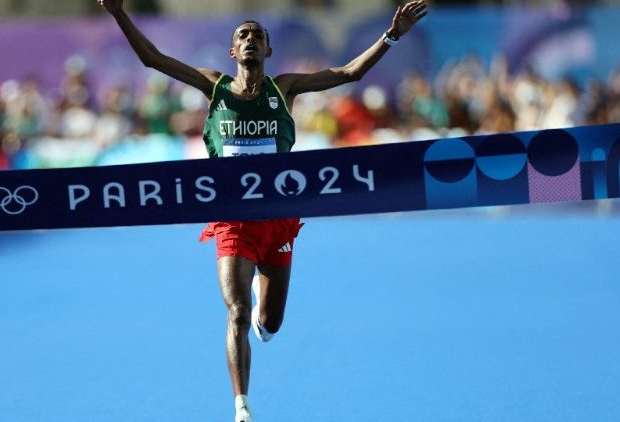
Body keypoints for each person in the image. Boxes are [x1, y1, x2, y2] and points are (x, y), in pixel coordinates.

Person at [96, 1, 428, 421]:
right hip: (233, 218)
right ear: (232, 52)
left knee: (269, 325)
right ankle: (242, 407)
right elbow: (152, 58)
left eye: (257, 35)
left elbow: (349, 74)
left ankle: (262, 311)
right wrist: (118, 13)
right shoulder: (212, 85)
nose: (250, 39)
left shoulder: (284, 88)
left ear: (268, 51)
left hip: (278, 218)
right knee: (234, 311)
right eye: (242, 36)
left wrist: (391, 34)